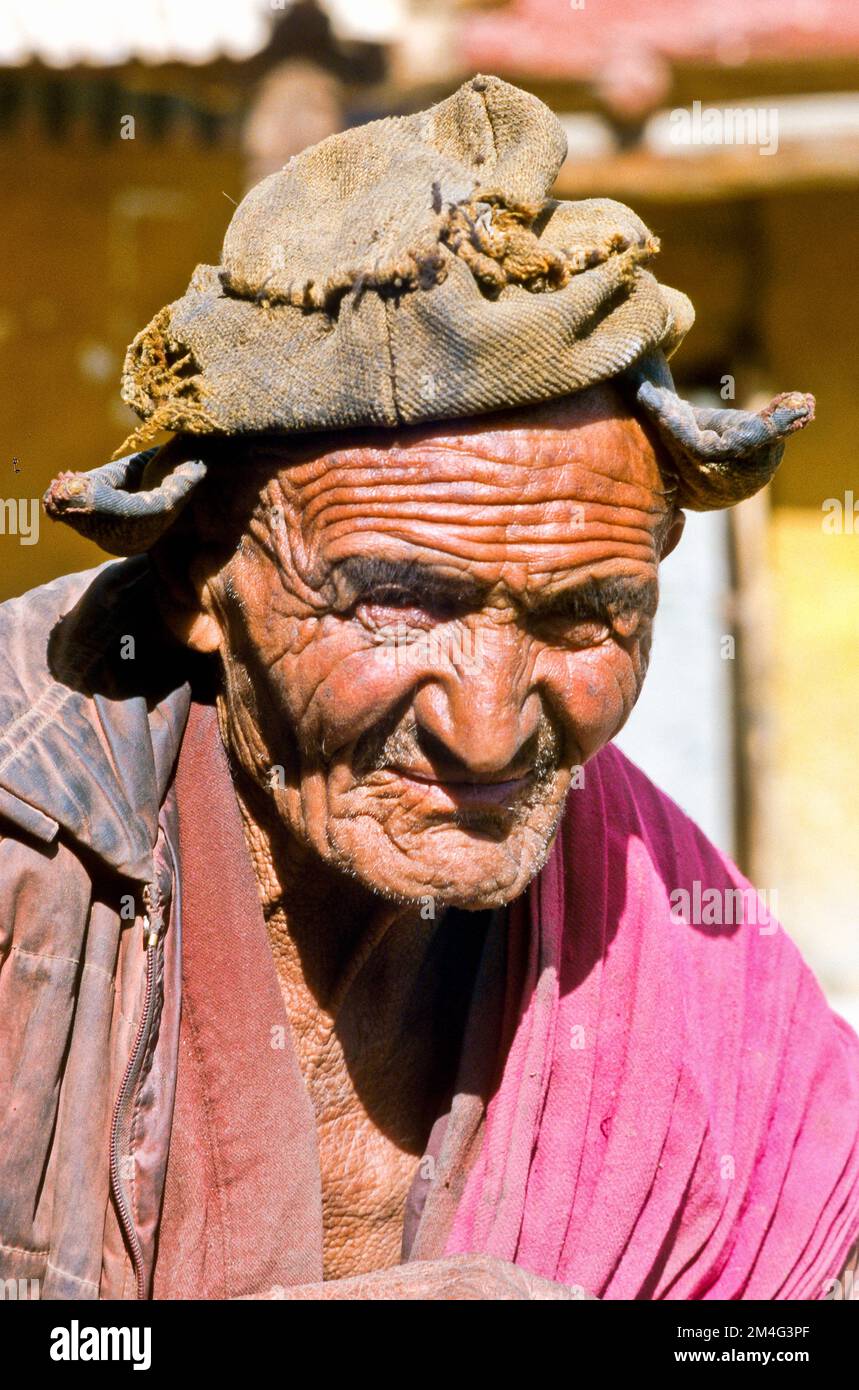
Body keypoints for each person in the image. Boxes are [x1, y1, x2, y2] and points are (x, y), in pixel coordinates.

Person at [2, 75, 856, 1301]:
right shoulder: (27, 840)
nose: (490, 725)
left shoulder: (666, 923)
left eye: (583, 617)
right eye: (402, 604)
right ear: (201, 576)